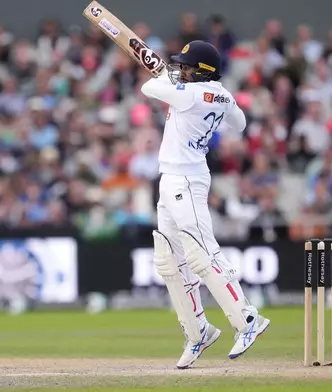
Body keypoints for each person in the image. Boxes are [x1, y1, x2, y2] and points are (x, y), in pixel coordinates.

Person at [140, 40, 270, 369]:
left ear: (202, 71)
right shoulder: (221, 95)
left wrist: (169, 79)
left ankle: (247, 319)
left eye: (185, 66)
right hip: (173, 178)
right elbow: (239, 124)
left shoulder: (190, 93)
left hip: (186, 180)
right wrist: (185, 85)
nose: (180, 70)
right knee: (169, 260)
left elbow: (146, 87)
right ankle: (198, 332)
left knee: (201, 253)